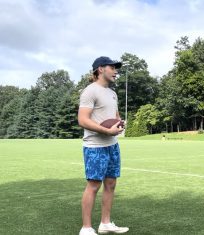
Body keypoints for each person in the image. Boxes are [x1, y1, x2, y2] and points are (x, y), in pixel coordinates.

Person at [78, 56, 129, 235]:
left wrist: (120, 123)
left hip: (112, 145)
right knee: (93, 185)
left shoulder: (112, 93)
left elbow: (114, 116)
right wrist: (106, 131)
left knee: (111, 183)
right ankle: (86, 228)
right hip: (95, 146)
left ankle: (105, 223)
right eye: (112, 67)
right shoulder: (90, 91)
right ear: (101, 69)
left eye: (117, 68)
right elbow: (82, 119)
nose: (116, 71)